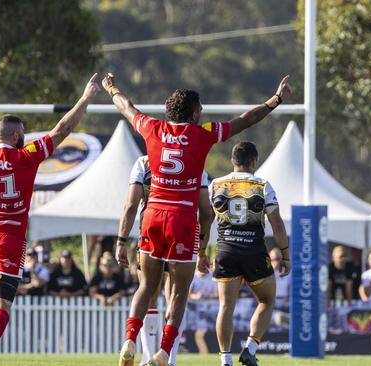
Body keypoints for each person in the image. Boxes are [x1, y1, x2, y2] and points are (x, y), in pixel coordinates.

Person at [103, 70, 291, 366]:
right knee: (178, 292)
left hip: (153, 214)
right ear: (192, 114)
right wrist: (275, 100)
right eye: (200, 109)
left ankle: (129, 339)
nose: (202, 112)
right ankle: (164, 353)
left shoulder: (152, 127)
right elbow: (245, 120)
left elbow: (128, 108)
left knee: (146, 287)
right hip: (183, 218)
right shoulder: (202, 133)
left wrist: (112, 89)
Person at [0, 70, 99, 366]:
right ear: (18, 136)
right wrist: (85, 98)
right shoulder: (26, 156)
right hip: (9, 238)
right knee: (2, 303)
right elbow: (61, 129)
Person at [116, 154, 213, 365]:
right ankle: (168, 356)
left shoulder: (143, 162)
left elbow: (130, 205)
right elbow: (206, 211)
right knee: (176, 295)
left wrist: (121, 241)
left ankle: (137, 347)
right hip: (182, 230)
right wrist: (203, 248)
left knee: (147, 289)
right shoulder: (194, 161)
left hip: (150, 228)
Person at [209, 142, 290, 366]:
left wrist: (201, 252)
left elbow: (205, 220)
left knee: (226, 306)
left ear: (232, 161)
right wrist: (285, 255)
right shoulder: (262, 184)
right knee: (266, 299)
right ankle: (250, 348)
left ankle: (225, 360)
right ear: (254, 161)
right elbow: (277, 223)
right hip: (253, 251)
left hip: (225, 250)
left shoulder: (216, 184)